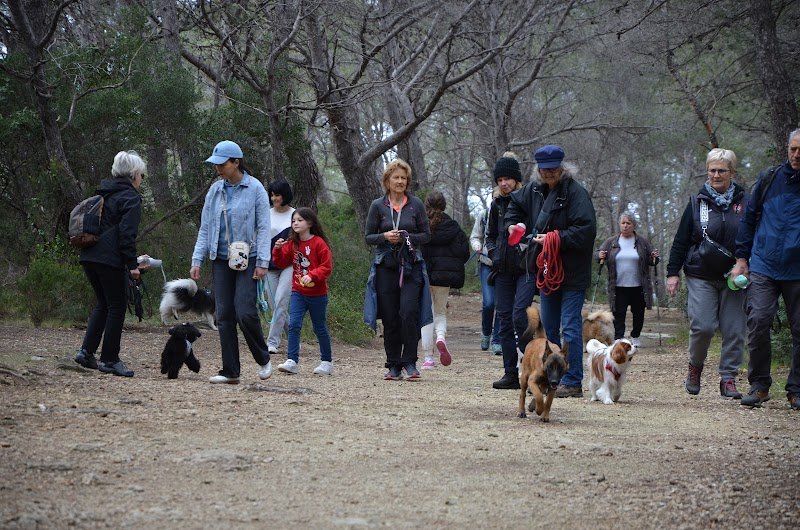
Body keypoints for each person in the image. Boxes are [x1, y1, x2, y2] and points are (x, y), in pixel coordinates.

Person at [505, 145, 597, 398]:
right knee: (550, 327)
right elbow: (513, 204)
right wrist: (514, 225)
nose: (549, 174)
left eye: (554, 169)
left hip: (572, 272)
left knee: (569, 327)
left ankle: (573, 379)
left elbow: (586, 229)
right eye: (545, 170)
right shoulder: (532, 191)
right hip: (545, 270)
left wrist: (556, 238)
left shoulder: (577, 194)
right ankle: (550, 377)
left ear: (563, 168)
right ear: (538, 170)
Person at [666, 148, 747, 399]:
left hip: (735, 275)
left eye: (721, 170)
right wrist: (673, 273)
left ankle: (728, 378)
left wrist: (747, 264)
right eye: (712, 170)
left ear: (732, 173)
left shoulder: (746, 202)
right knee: (702, 326)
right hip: (700, 274)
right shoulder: (696, 202)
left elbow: (756, 236)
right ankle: (695, 367)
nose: (716, 175)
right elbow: (681, 241)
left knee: (734, 329)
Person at [190, 140, 272, 384]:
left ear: (236, 162)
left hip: (250, 257)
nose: (218, 168)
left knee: (245, 311)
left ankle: (263, 357)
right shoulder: (215, 191)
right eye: (215, 164)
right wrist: (197, 258)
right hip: (220, 258)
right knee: (224, 314)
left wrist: (263, 261)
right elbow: (205, 227)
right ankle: (230, 371)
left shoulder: (255, 188)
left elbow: (264, 227)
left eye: (222, 163)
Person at [733, 129, 800, 410]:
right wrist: (741, 259)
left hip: (798, 270)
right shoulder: (769, 179)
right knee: (758, 321)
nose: (797, 155)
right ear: (787, 149)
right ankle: (759, 385)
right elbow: (748, 220)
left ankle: (796, 390)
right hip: (763, 264)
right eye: (793, 149)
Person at [74, 151, 149, 377]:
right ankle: (109, 359)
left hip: (89, 255)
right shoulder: (130, 198)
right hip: (109, 259)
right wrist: (133, 265)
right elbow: (126, 235)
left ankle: (86, 352)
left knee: (104, 304)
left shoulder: (104, 193)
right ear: (134, 174)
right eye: (142, 176)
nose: (141, 180)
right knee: (116, 307)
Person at [363, 159, 432, 381]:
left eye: (403, 178)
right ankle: (393, 364)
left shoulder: (416, 204)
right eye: (396, 177)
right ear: (387, 181)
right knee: (391, 317)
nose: (400, 181)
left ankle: (410, 362)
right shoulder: (377, 205)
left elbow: (427, 235)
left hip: (411, 265)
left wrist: (406, 237)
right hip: (386, 266)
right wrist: (384, 236)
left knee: (409, 312)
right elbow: (368, 237)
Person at [485, 152, 532, 390]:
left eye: (508, 179)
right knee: (503, 320)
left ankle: (532, 365)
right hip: (502, 270)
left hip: (525, 269)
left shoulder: (528, 201)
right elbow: (490, 236)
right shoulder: (496, 206)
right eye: (500, 179)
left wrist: (526, 249)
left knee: (519, 315)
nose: (504, 183)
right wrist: (493, 254)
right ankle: (509, 373)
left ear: (516, 180)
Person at [272, 208, 334, 375]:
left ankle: (326, 362)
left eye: (299, 220)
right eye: (293, 221)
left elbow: (326, 267)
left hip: (318, 294)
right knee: (294, 325)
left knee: (319, 327)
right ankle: (292, 360)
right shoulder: (292, 243)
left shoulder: (319, 243)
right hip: (298, 291)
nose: (295, 223)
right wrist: (277, 249)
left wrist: (312, 275)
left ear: (310, 223)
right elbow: (280, 262)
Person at [420, 191, 470, 369]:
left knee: (426, 315)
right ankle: (440, 337)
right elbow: (464, 253)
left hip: (425, 275)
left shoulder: (423, 226)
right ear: (444, 205)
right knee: (440, 312)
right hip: (444, 278)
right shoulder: (454, 227)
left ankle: (428, 359)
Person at [597, 213, 659, 347]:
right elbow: (599, 254)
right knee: (618, 313)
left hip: (638, 286)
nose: (625, 226)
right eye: (623, 223)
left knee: (638, 313)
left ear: (633, 226)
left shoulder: (642, 242)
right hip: (618, 286)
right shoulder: (611, 242)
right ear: (620, 225)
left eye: (628, 223)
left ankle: (635, 336)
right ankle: (619, 338)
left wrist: (654, 257)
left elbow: (651, 260)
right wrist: (599, 255)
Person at [265, 180, 295, 354]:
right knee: (274, 304)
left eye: (277, 194)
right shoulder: (265, 214)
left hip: (289, 265)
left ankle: (272, 342)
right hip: (269, 265)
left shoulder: (296, 214)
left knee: (281, 300)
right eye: (272, 195)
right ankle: (294, 337)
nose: (274, 198)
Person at [470, 204, 502, 354]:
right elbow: (475, 236)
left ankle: (497, 341)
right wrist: (477, 246)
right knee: (489, 303)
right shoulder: (484, 215)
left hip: (505, 266)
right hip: (486, 264)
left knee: (502, 304)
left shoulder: (514, 214)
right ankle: (486, 332)